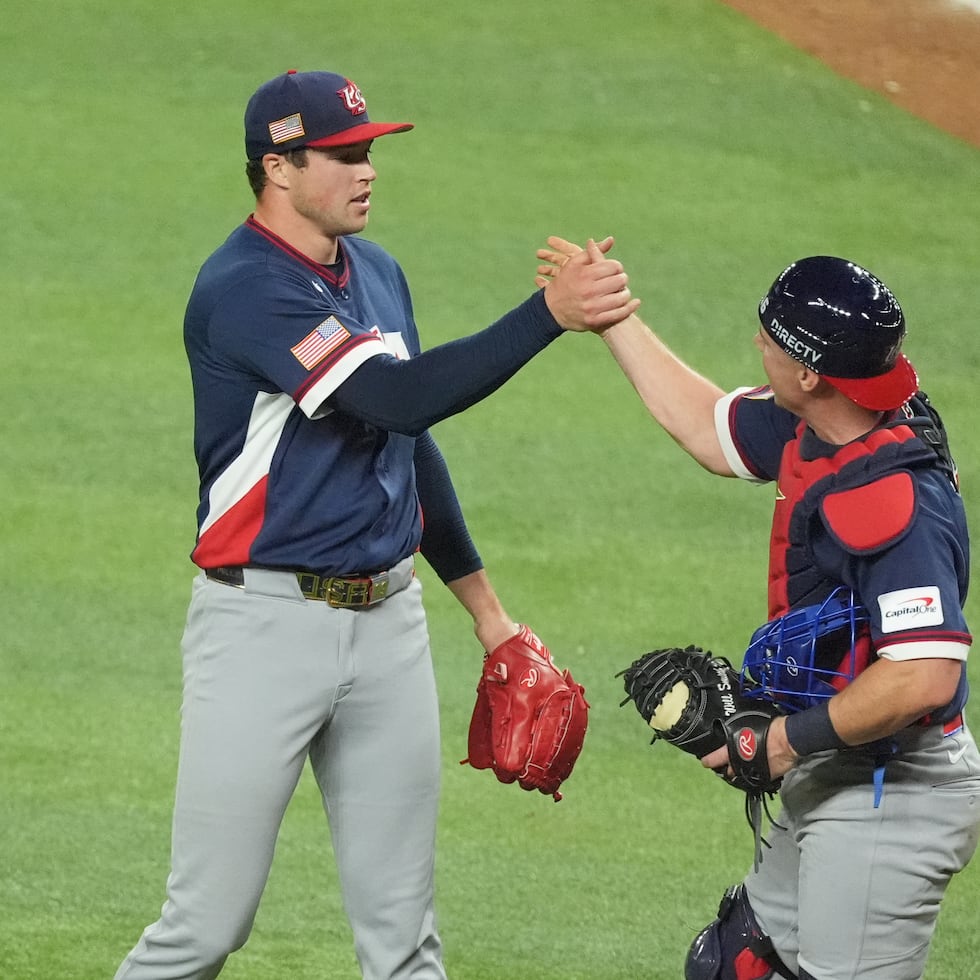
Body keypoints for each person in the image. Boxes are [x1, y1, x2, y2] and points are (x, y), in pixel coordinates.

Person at [113, 72, 638, 980]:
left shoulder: (380, 273)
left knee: (404, 938)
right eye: (344, 154)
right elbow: (400, 398)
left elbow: (407, 443)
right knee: (205, 926)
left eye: (370, 151)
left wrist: (490, 616)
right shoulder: (245, 289)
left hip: (390, 627)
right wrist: (548, 315)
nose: (367, 170)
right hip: (263, 629)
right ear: (279, 167)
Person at [537, 241, 980, 980]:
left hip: (893, 795)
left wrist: (781, 741)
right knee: (737, 965)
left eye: (771, 338)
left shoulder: (889, 498)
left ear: (809, 372)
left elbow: (925, 676)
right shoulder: (832, 419)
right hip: (841, 761)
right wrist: (611, 316)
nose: (757, 344)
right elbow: (709, 428)